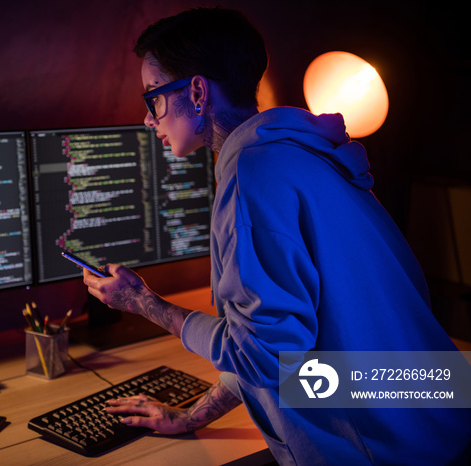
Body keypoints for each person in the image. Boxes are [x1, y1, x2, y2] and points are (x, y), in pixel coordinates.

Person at [82, 7, 471, 466]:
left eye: (153, 99)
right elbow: (283, 350)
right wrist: (189, 418)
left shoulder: (252, 179)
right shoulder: (304, 154)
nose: (150, 119)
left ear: (198, 91)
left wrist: (145, 303)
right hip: (437, 414)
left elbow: (266, 357)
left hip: (394, 450)